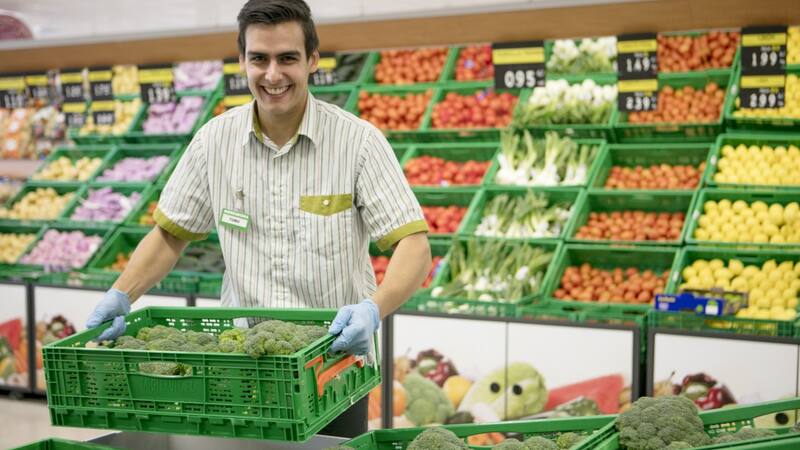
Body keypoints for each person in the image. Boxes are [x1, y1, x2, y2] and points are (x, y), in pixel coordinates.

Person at [85, 0, 431, 436]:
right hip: (240, 368)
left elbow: (414, 246)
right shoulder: (215, 142)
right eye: (259, 59)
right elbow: (170, 235)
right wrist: (121, 293)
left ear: (312, 61)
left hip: (334, 370)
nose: (272, 75)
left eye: (287, 58)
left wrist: (372, 310)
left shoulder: (358, 143)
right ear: (243, 61)